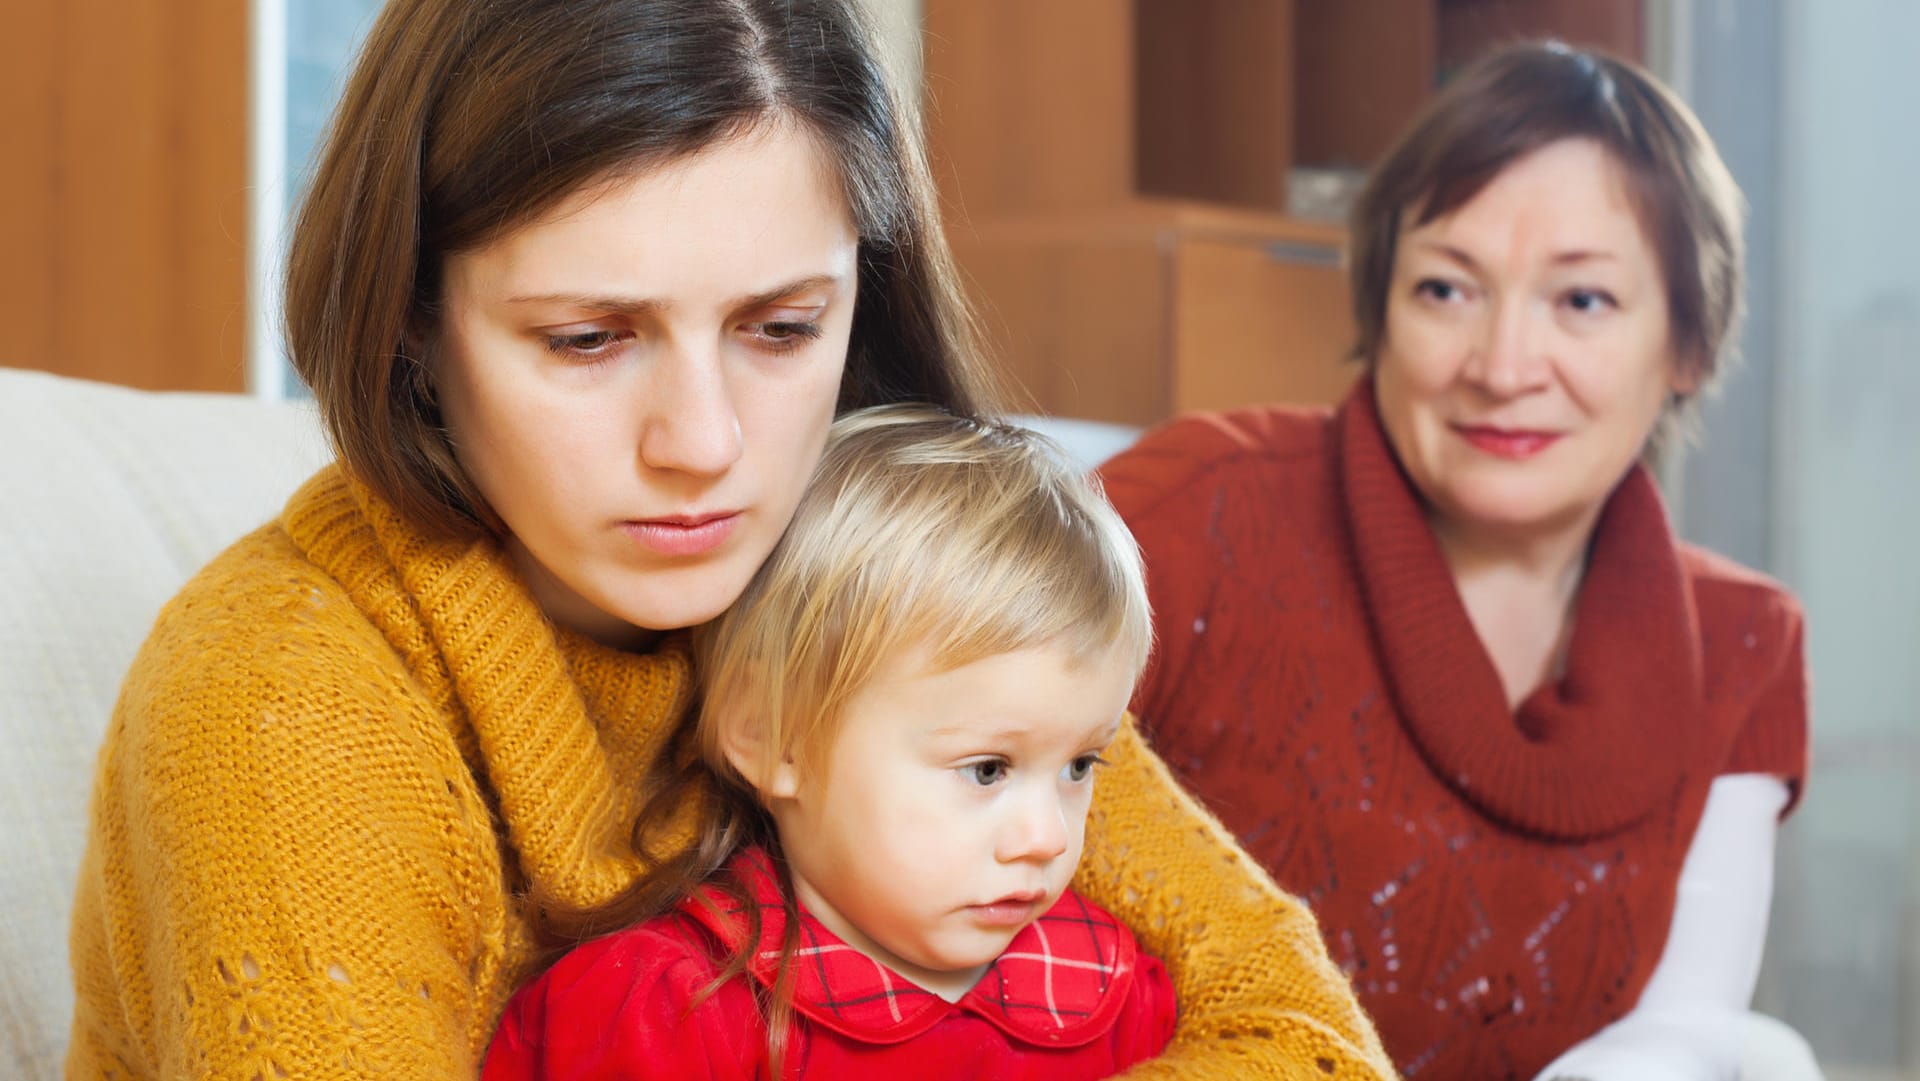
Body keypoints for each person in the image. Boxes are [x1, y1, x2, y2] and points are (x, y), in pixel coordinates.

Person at [65, 1, 1393, 1077]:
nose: (704, 442)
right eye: (586, 338)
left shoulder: (887, 577)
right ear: (412, 318)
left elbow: (1308, 1040)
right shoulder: (279, 703)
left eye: (779, 329)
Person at [1101, 42, 1813, 1081]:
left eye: (1582, 302)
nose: (1502, 366)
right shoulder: (1193, 511)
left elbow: (1678, 1038)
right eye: (1445, 289)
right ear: (1379, 306)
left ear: (1689, 346)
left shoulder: (1745, 640)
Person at [484, 405, 1176, 1078]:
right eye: (988, 769)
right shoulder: (668, 1012)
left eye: (1080, 764)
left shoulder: (1119, 993)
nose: (1047, 836)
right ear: (773, 739)